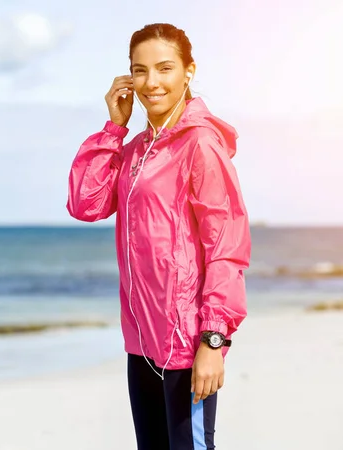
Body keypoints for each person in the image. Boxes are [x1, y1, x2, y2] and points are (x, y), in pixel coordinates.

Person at [66, 23, 251, 450]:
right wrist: (114, 129)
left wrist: (213, 339)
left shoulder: (201, 145)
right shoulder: (134, 150)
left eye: (164, 68)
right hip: (142, 346)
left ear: (188, 71)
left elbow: (226, 247)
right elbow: (85, 204)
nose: (152, 82)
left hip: (188, 345)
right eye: (140, 70)